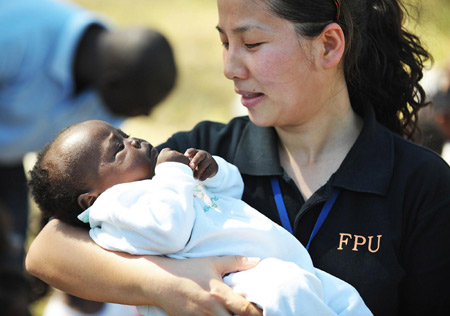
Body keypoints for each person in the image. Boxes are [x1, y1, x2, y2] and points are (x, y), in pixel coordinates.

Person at [25, 0, 450, 315]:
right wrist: (171, 287)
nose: (230, 66)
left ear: (329, 46)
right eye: (225, 42)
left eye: (252, 42)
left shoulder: (422, 185)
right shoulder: (199, 154)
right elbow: (47, 252)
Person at [28, 120, 372, 316]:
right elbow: (168, 231)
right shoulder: (115, 208)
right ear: (91, 197)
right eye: (117, 149)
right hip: (237, 286)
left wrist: (212, 171)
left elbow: (233, 190)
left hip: (280, 267)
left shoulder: (158, 182)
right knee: (289, 293)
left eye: (122, 134)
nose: (131, 140)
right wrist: (174, 173)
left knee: (348, 301)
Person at [0, 0, 177, 269]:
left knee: (12, 264)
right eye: (141, 106)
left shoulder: (115, 73)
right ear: (113, 83)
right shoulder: (15, 33)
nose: (145, 116)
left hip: (7, 159)